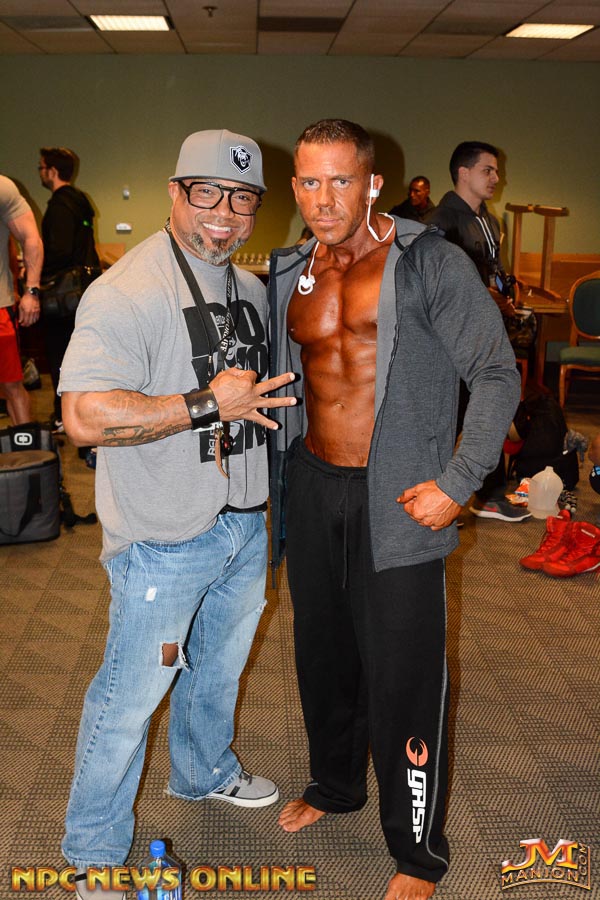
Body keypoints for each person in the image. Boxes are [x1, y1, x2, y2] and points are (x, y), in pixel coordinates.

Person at [268, 120, 520, 900]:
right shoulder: (289, 269)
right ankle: (336, 784)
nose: (323, 199)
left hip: (402, 498)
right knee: (324, 656)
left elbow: (496, 373)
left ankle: (417, 852)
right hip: (316, 486)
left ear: (373, 183)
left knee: (404, 675)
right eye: (310, 182)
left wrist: (459, 480)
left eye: (341, 180)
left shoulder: (430, 263)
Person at [58, 129, 296, 900]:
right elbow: (83, 418)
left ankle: (202, 772)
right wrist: (201, 405)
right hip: (163, 538)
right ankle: (92, 851)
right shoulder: (126, 291)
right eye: (207, 193)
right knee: (129, 698)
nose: (224, 213)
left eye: (242, 198)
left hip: (242, 519)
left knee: (219, 670)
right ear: (175, 192)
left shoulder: (249, 289)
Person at [38, 147, 101, 433]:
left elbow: (60, 250)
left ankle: (64, 416)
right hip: (83, 291)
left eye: (41, 168)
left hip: (62, 297)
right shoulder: (80, 202)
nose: (40, 173)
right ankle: (74, 414)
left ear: (52, 171)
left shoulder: (60, 206)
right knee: (77, 355)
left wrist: (35, 272)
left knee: (59, 355)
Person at [0, 175, 43, 424]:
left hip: (0, 307)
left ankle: (27, 443)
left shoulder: (2, 188)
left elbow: (30, 237)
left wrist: (31, 290)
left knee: (11, 385)